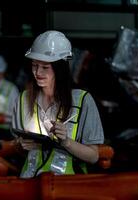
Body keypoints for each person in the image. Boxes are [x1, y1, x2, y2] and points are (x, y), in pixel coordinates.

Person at [12, 30, 104, 178]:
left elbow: (93, 156)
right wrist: (20, 145)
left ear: (60, 68)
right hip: (29, 184)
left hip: (66, 187)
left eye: (45, 67)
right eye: (34, 65)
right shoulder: (23, 99)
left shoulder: (83, 100)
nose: (37, 72)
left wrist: (66, 142)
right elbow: (17, 148)